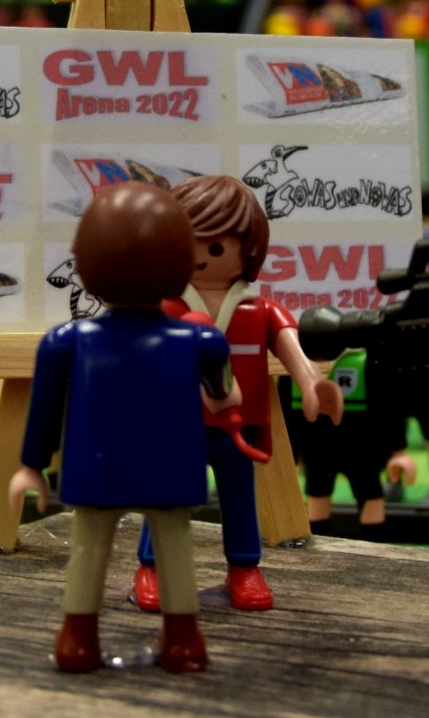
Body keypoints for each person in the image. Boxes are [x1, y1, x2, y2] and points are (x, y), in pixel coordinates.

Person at [9, 183, 236, 673]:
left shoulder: (66, 340)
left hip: (97, 469)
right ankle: (183, 639)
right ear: (183, 263)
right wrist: (225, 397)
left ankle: (77, 638)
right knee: (175, 549)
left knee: (89, 549)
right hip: (169, 470)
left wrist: (31, 465)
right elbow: (222, 391)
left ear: (86, 263)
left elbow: (43, 408)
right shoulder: (200, 340)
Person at [130, 174, 344, 614]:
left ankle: (244, 568)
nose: (201, 258)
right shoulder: (163, 308)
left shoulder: (259, 310)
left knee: (241, 498)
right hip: (178, 424)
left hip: (237, 428)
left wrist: (311, 382)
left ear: (249, 250)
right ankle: (152, 566)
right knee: (165, 497)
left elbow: (290, 346)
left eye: (216, 247)